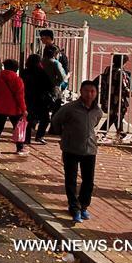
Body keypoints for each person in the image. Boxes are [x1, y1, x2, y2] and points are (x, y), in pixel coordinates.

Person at [50, 80, 103, 223]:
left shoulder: (97, 111)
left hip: (90, 150)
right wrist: (65, 135)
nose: (89, 94)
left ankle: (83, 206)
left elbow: (94, 124)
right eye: (86, 91)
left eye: (92, 91)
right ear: (81, 91)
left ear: (96, 93)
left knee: (88, 181)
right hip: (71, 149)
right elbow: (56, 121)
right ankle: (74, 208)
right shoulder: (70, 108)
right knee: (71, 180)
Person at [0, 59, 27, 156]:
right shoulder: (17, 80)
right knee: (17, 128)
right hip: (14, 108)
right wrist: (24, 109)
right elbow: (20, 97)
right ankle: (20, 148)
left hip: (0, 107)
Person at [97, 54, 132, 138]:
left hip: (107, 96)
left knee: (116, 115)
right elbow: (123, 86)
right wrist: (131, 92)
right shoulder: (121, 73)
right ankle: (102, 132)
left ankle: (121, 133)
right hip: (117, 98)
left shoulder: (108, 69)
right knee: (115, 115)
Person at [22, 54, 53, 145]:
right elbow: (49, 86)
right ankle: (40, 136)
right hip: (41, 99)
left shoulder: (25, 72)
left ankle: (26, 138)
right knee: (45, 119)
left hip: (28, 98)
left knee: (29, 119)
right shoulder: (42, 72)